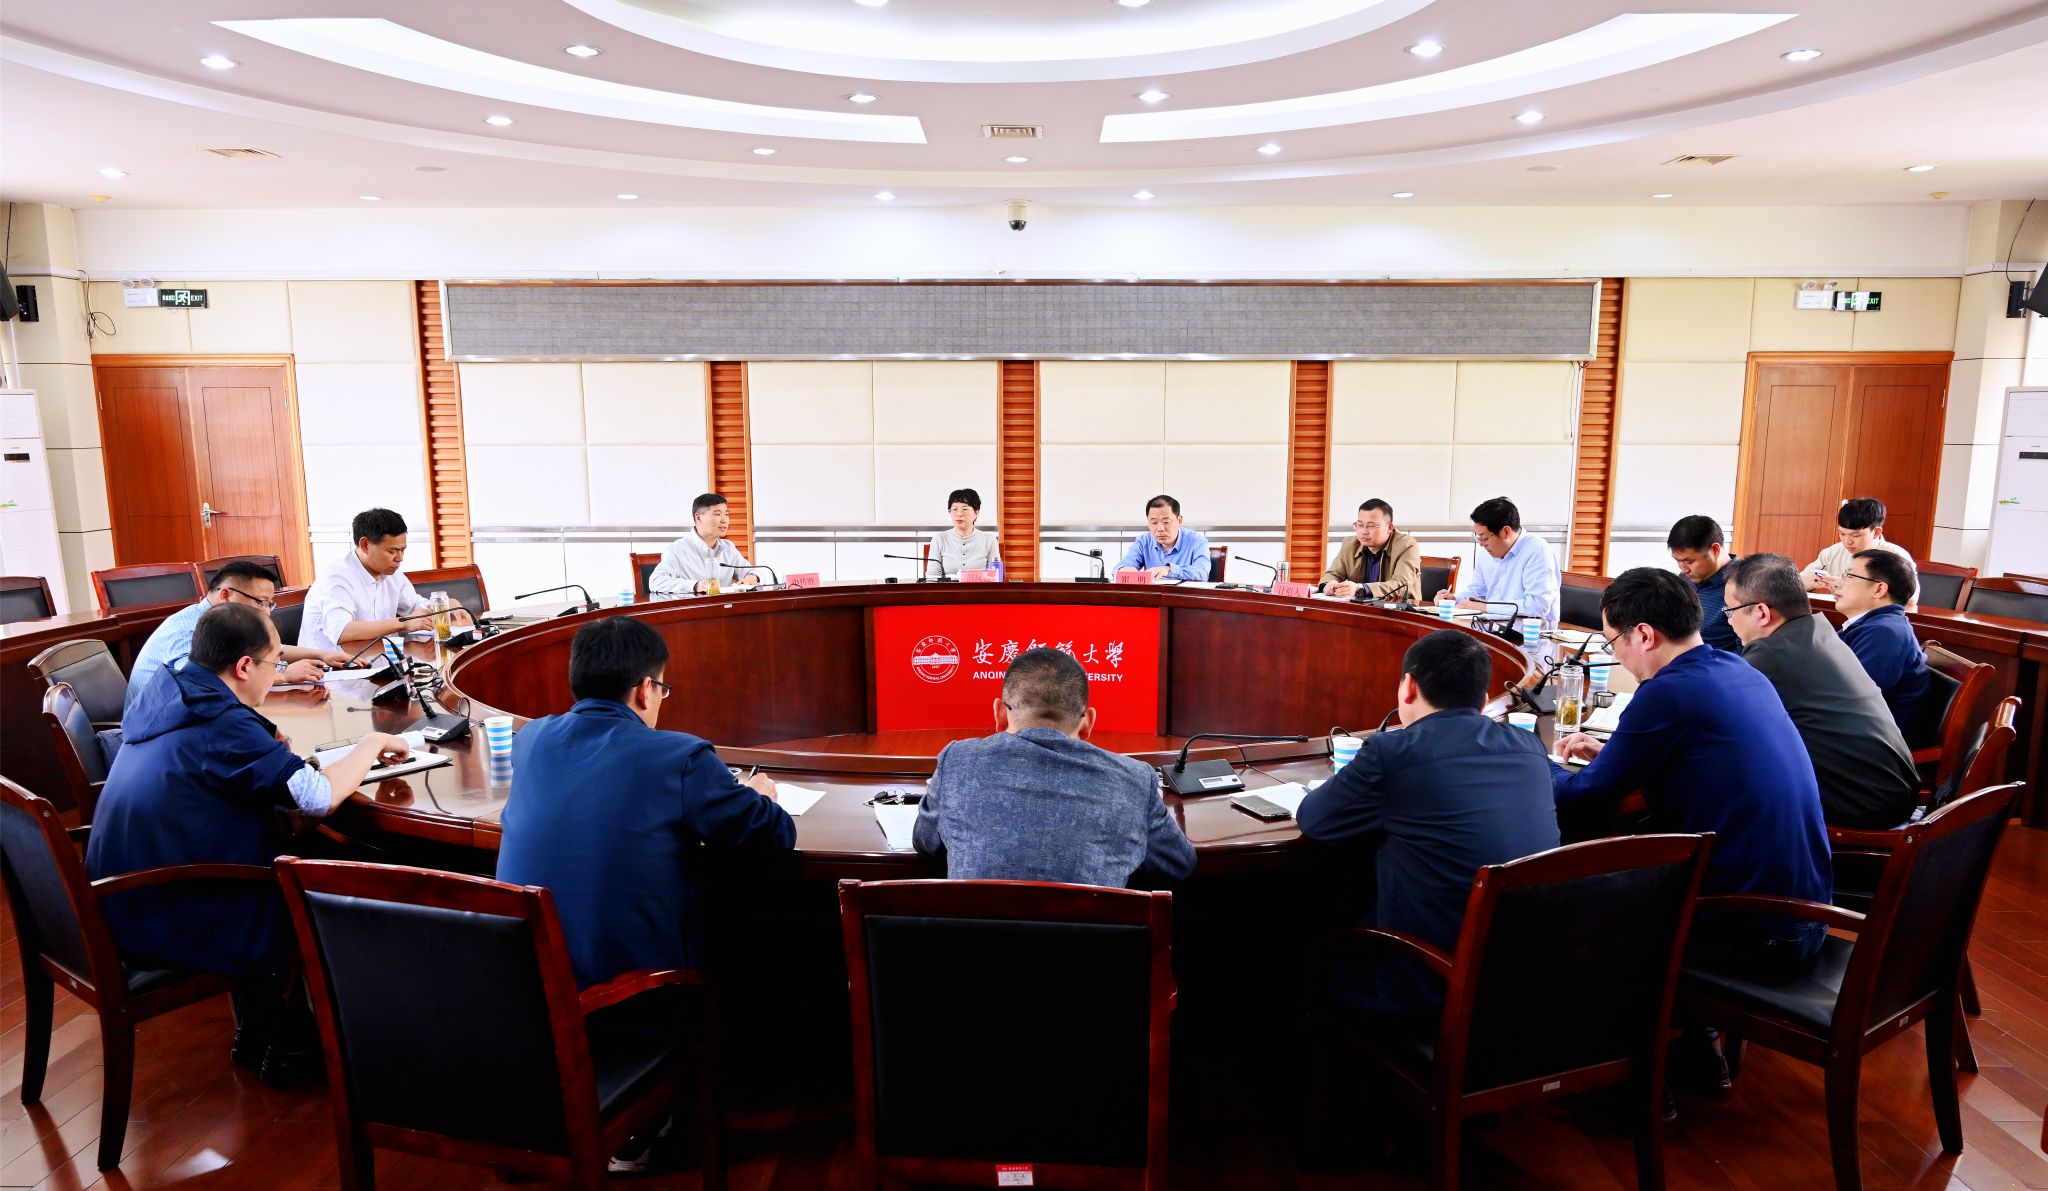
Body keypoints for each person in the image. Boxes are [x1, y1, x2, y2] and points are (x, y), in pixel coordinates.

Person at [86, 603, 410, 1083]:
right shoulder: (221, 723)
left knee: (302, 851)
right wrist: (371, 744)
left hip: (124, 892)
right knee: (325, 882)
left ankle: (264, 1034)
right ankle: (288, 1048)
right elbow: (317, 798)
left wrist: (266, 741)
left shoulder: (175, 690)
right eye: (275, 662)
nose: (277, 672)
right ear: (243, 666)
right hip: (166, 906)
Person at [1551, 568, 1832, 978]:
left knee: (1575, 910)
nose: (1618, 655)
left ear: (1644, 635)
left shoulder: (1666, 691)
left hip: (1757, 932)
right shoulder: (1736, 667)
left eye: (1613, 642)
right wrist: (1613, 754)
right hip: (1809, 913)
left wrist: (1530, 760)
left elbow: (1585, 794)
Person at [496, 616, 795, 988]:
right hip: (627, 998)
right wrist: (756, 796)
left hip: (521, 990)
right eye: (662, 689)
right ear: (645, 689)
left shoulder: (530, 739)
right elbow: (773, 835)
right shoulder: (680, 757)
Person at [1297, 629, 1559, 1016]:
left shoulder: (1393, 753)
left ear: (1408, 687)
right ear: (1484, 699)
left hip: (1430, 985)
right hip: (1524, 979)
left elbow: (1315, 820)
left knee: (1299, 954)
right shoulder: (1529, 746)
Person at [913, 647, 1196, 886]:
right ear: (1088, 723)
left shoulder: (958, 760)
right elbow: (1178, 864)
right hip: (1093, 937)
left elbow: (926, 843)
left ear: (999, 714)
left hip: (975, 936)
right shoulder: (1134, 779)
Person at [1723, 554, 1920, 829]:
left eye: (1730, 611)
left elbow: (1716, 712)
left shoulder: (1771, 653)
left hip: (1864, 803)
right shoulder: (1818, 631)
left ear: (1762, 613)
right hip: (1889, 789)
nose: (1729, 621)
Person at [124, 561, 350, 722]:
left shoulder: (223, 622)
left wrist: (322, 654)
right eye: (260, 602)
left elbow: (272, 649)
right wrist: (283, 675)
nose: (266, 612)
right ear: (226, 595)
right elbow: (202, 683)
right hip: (159, 725)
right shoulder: (187, 629)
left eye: (269, 604)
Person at [299, 508, 469, 652]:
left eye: (403, 550)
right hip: (328, 671)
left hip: (377, 659)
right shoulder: (337, 577)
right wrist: (403, 623)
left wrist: (442, 606)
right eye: (392, 551)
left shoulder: (391, 573)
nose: (400, 558)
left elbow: (414, 608)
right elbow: (342, 632)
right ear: (365, 545)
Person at [1834, 548, 1933, 739]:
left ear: (1879, 589)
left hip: (1869, 744)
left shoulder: (1885, 633)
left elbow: (1851, 700)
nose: (1838, 583)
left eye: (1849, 576)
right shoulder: (1872, 625)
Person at [1442, 496, 1561, 625]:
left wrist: (1486, 607)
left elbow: (1537, 606)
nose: (1481, 544)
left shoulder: (1537, 550)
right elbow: (1477, 592)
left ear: (1506, 532)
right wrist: (1454, 599)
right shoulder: (1486, 553)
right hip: (1490, 628)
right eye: (1478, 537)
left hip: (1528, 632)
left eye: (1485, 538)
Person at [648, 493, 762, 595]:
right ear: (698, 517)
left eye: (726, 514)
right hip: (694, 610)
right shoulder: (677, 550)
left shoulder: (728, 548)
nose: (724, 520)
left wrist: (752, 577)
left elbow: (756, 571)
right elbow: (656, 581)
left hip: (724, 609)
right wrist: (694, 585)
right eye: (717, 514)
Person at [1801, 497, 1916, 593]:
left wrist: (1848, 586)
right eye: (1842, 534)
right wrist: (1814, 581)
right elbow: (1798, 584)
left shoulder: (1897, 557)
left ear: (1876, 532)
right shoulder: (1832, 552)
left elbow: (1910, 598)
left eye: (1856, 535)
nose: (1847, 541)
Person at [1319, 498, 1422, 601]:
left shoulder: (1407, 545)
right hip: (1362, 608)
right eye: (1360, 525)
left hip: (1399, 608)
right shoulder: (1350, 544)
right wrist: (1329, 584)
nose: (1363, 531)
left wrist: (1360, 588)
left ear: (1389, 528)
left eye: (1371, 526)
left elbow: (1401, 585)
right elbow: (1333, 573)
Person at [1667, 515, 1742, 652]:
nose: (1684, 569)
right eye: (1678, 561)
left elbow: (1746, 651)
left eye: (1689, 561)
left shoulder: (1746, 584)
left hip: (1718, 663)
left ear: (1715, 550)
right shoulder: (1685, 578)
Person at [1115, 494, 1211, 581]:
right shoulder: (1143, 541)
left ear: (1179, 520)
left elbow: (1202, 572)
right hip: (1153, 594)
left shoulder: (1197, 541)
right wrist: (1124, 569)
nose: (1160, 529)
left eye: (1166, 522)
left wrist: (1169, 570)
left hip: (1185, 594)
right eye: (1154, 523)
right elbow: (1120, 566)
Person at [925, 487, 1001, 579]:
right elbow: (932, 577)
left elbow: (994, 577)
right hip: (948, 588)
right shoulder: (939, 539)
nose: (959, 514)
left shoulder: (989, 540)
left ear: (976, 512)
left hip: (979, 588)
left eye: (964, 509)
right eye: (955, 509)